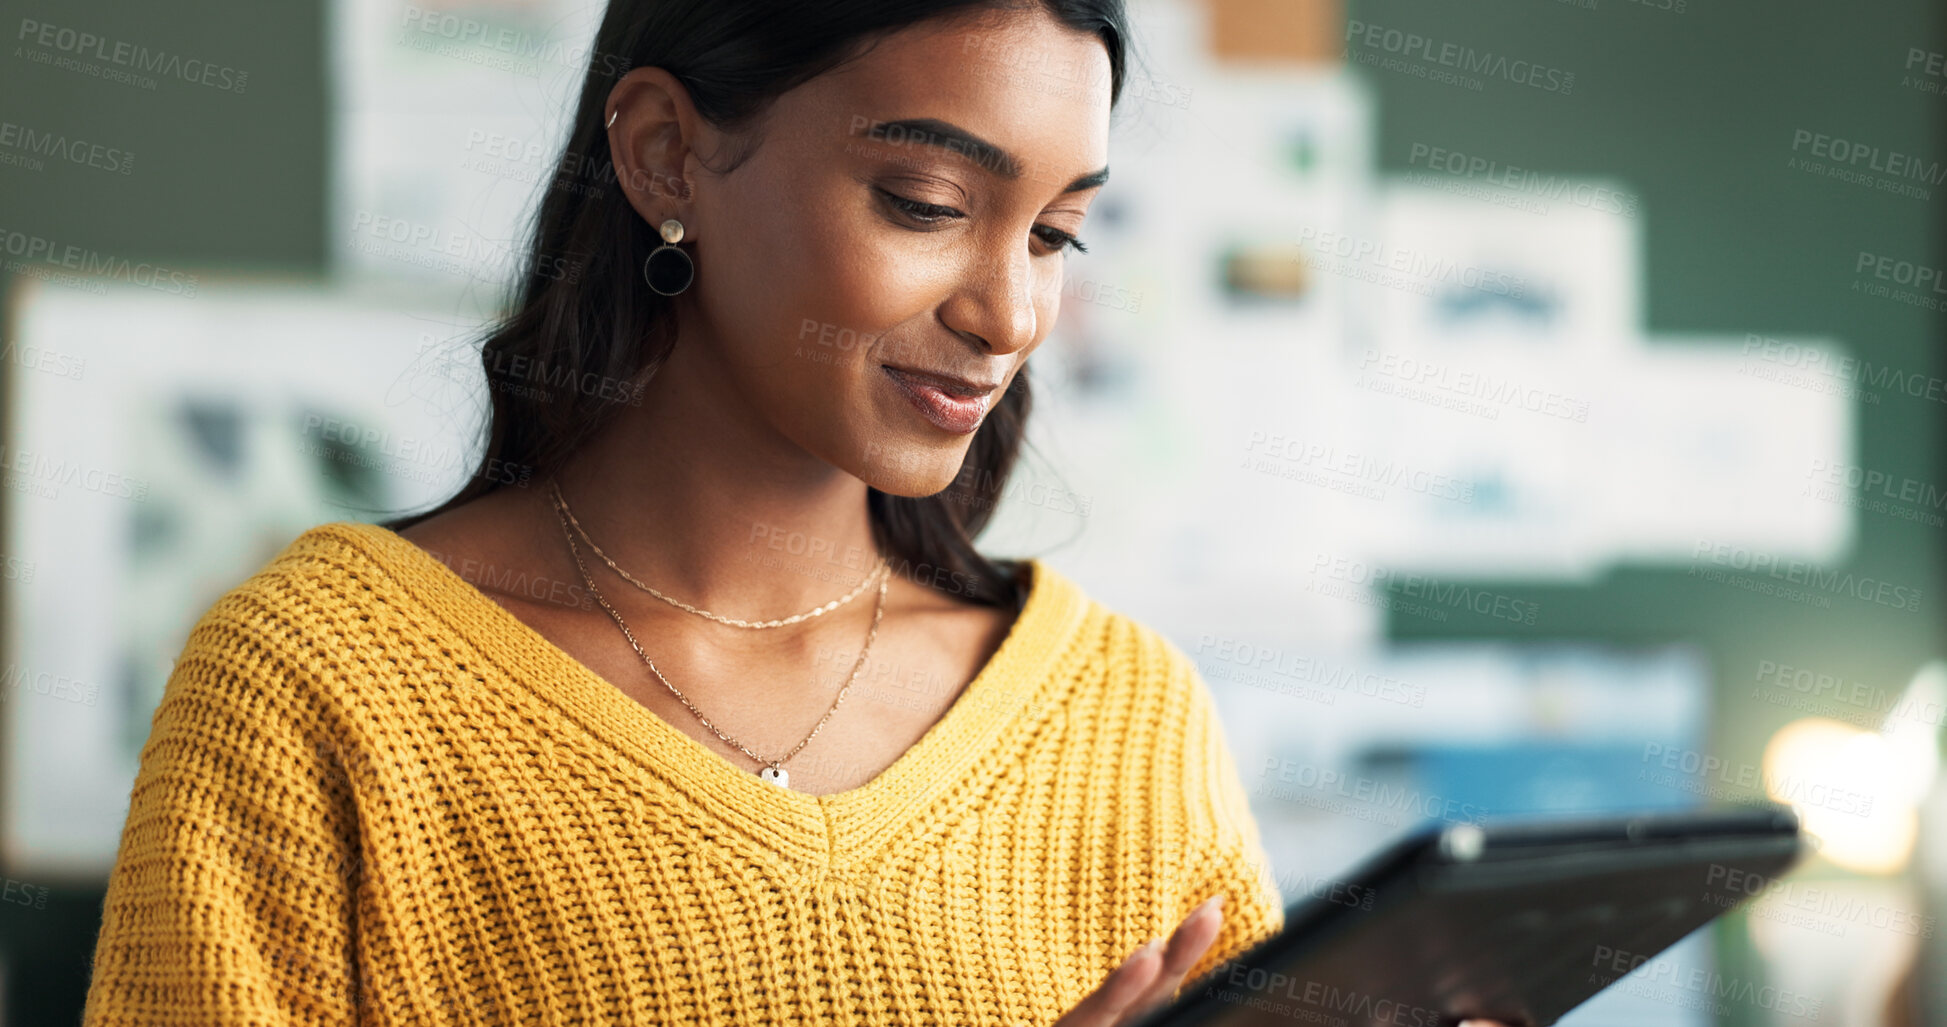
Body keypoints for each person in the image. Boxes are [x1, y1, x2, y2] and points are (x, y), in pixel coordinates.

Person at [80, 1, 1515, 1024]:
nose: (1011, 310)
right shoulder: (321, 687)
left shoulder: (1126, 723)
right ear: (664, 157)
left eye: (1060, 231)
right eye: (923, 200)